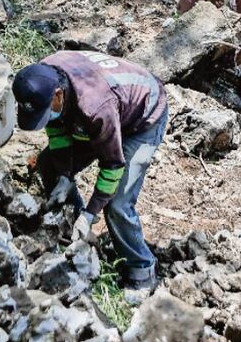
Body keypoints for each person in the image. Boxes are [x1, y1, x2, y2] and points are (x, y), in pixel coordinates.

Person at [13, 50, 169, 290]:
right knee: (49, 165)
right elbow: (56, 129)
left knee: (117, 203)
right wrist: (65, 175)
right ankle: (76, 237)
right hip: (106, 112)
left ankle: (141, 271)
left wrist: (91, 212)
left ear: (58, 96)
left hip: (142, 116)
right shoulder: (43, 78)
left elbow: (113, 165)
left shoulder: (95, 107)